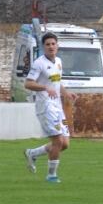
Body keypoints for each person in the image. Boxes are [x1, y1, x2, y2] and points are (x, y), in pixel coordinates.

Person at [22, 32, 69, 184]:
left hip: (58, 107)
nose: (51, 46)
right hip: (46, 107)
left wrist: (67, 93)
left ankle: (32, 153)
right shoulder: (39, 63)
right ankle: (51, 176)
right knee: (57, 142)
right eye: (47, 44)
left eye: (53, 44)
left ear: (57, 46)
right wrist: (44, 88)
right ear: (44, 47)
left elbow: (57, 82)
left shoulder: (59, 62)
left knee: (65, 144)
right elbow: (28, 83)